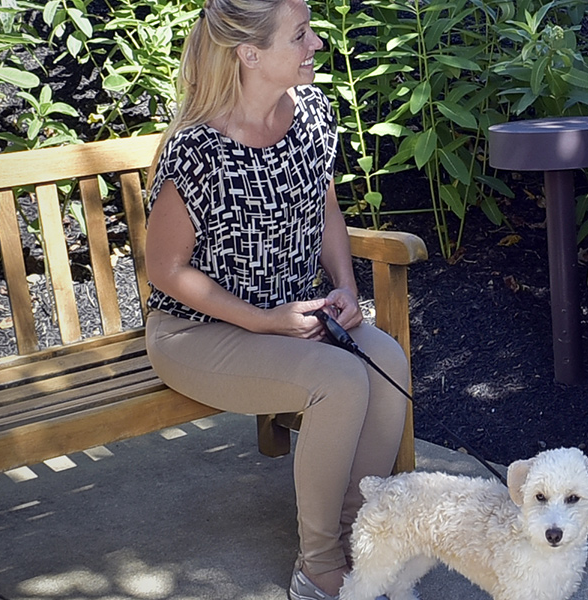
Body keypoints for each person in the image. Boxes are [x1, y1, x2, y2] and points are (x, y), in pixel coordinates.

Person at [140, 1, 410, 599]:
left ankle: (351, 541)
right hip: (194, 333)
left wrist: (344, 286)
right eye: (301, 35)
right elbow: (163, 270)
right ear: (250, 53)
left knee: (386, 361)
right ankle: (317, 570)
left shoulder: (313, 114)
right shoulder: (197, 148)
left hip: (291, 321)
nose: (316, 44)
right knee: (339, 381)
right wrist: (263, 321)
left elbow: (326, 210)